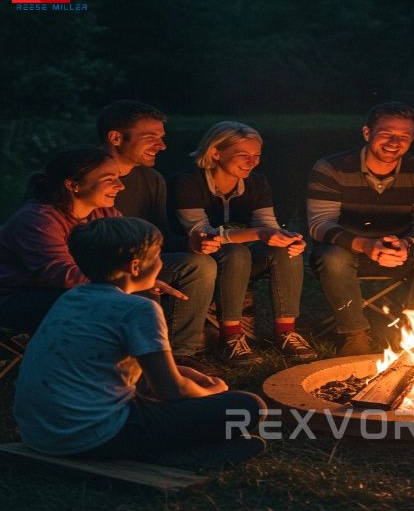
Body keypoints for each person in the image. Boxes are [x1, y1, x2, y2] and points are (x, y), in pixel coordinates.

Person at [13, 217, 266, 466]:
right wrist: (210, 392)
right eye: (158, 256)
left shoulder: (72, 298)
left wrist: (181, 372)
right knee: (247, 406)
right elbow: (170, 391)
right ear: (135, 267)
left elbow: (111, 368)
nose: (161, 262)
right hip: (94, 435)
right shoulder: (137, 308)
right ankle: (171, 453)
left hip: (40, 434)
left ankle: (178, 448)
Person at [307, 102, 414, 356]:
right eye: (386, 134)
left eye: (403, 136)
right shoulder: (332, 168)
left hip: (402, 250)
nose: (394, 142)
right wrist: (365, 244)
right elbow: (320, 224)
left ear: (412, 139)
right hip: (348, 250)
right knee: (331, 258)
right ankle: (354, 334)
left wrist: (406, 245)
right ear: (367, 133)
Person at [169, 121, 316, 365]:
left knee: (285, 251)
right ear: (215, 152)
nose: (252, 161)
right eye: (243, 155)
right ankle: (232, 337)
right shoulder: (187, 182)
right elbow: (203, 234)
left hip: (244, 259)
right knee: (236, 252)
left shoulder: (256, 183)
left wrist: (287, 239)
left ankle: (286, 332)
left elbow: (267, 225)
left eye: (256, 155)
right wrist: (259, 234)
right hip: (201, 258)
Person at [97, 100, 217, 362]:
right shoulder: (85, 176)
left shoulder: (152, 180)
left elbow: (159, 236)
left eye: (162, 137)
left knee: (199, 264)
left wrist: (190, 244)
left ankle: (180, 356)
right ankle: (142, 358)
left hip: (142, 263)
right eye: (150, 137)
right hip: (97, 269)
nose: (162, 146)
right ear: (115, 137)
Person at [0, 147, 124, 333]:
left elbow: (131, 248)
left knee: (162, 279)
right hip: (18, 297)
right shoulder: (38, 220)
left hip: (79, 286)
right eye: (109, 179)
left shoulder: (105, 213)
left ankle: (166, 355)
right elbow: (62, 274)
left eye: (118, 177)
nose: (121, 186)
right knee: (95, 300)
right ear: (73, 184)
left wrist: (144, 274)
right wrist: (122, 284)